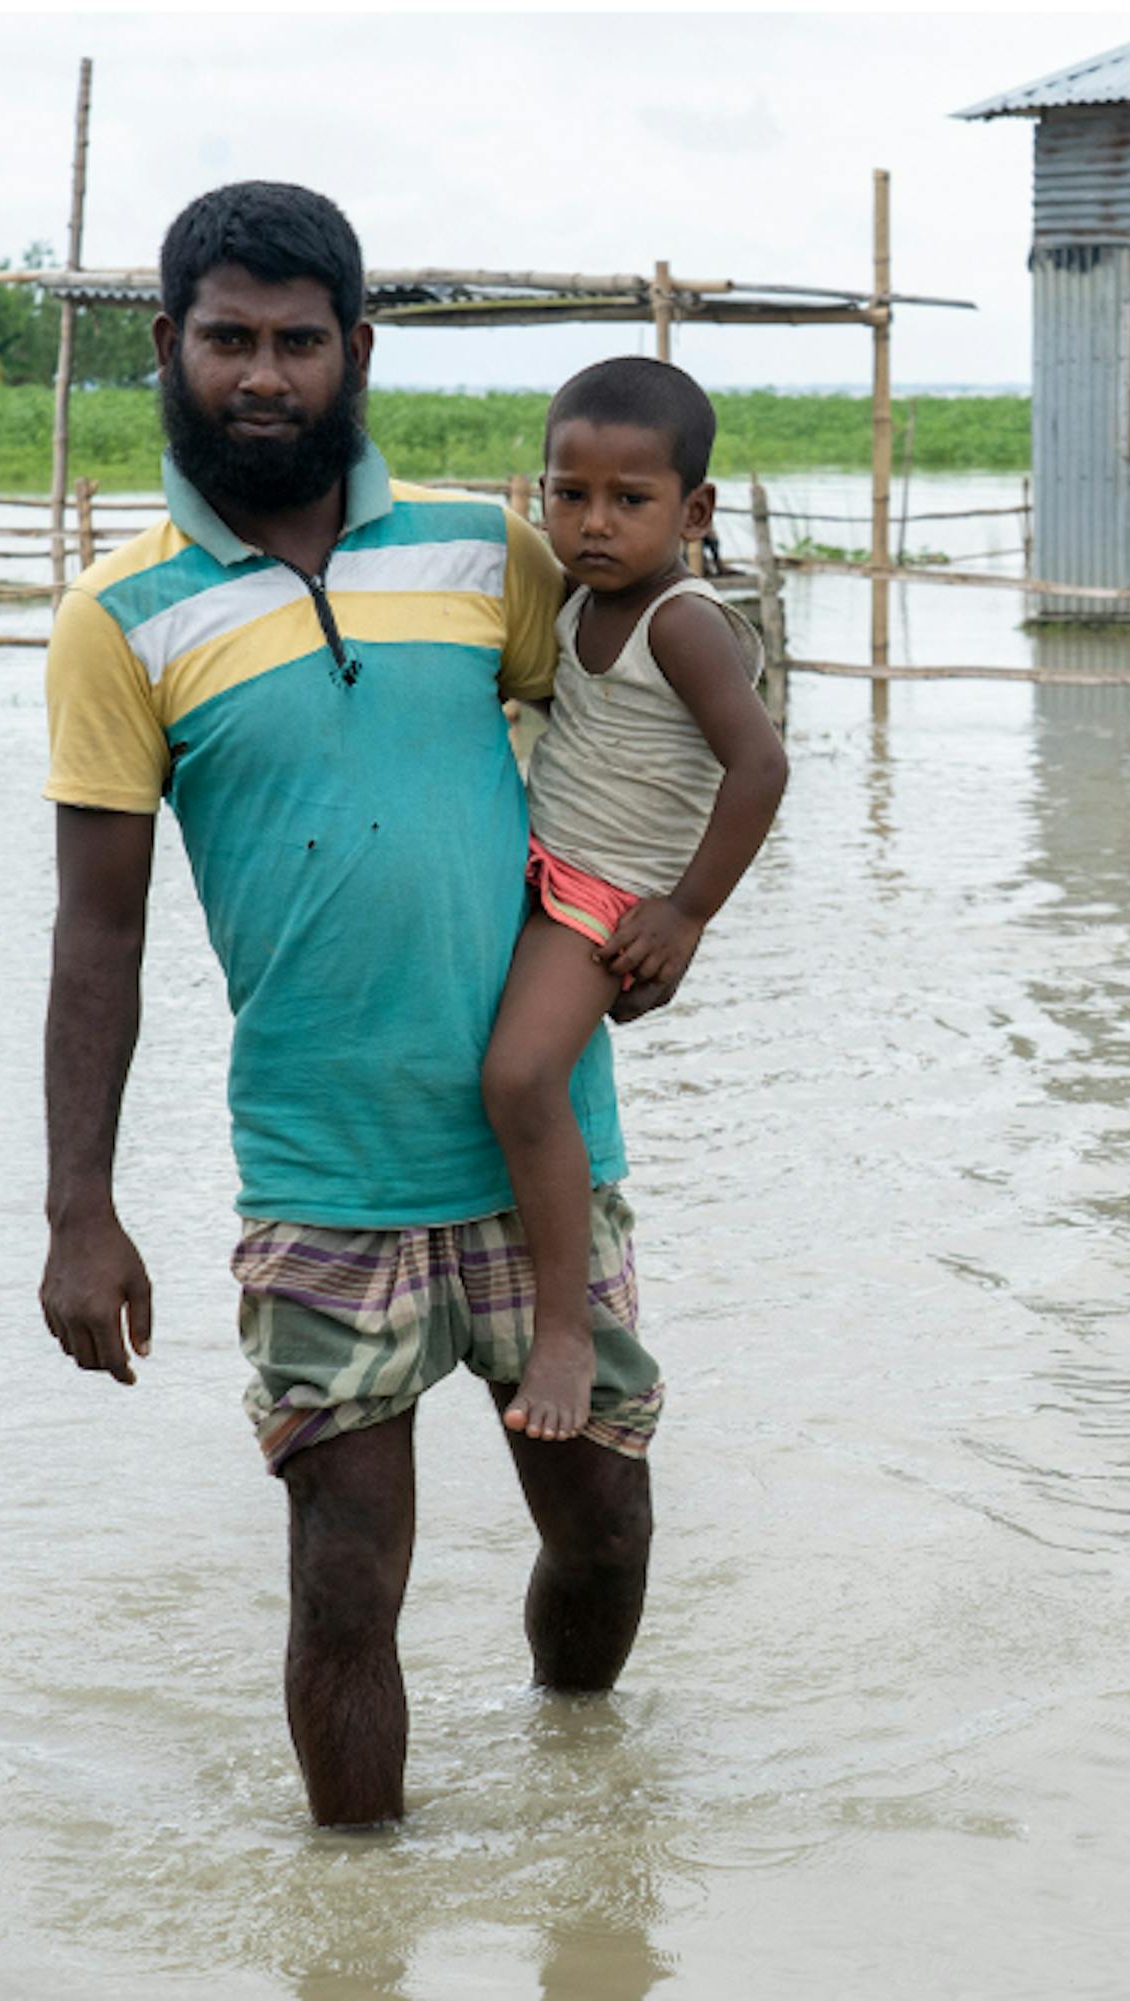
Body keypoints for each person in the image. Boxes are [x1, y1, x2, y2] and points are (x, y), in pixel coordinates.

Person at [33, 182, 668, 1829]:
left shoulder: (486, 549)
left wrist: (670, 921)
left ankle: (580, 1802)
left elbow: (630, 727)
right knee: (343, 1588)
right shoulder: (123, 621)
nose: (264, 376)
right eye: (228, 339)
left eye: (298, 343)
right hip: (324, 1181)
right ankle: (357, 1910)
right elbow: (97, 938)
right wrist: (79, 1209)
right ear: (170, 348)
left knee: (603, 1534)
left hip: (543, 1154)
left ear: (356, 351)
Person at [484, 360, 786, 1443]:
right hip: (539, 867)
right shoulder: (580, 604)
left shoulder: (681, 623)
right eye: (570, 497)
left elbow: (761, 769)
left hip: (601, 898)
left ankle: (562, 1328)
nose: (594, 524)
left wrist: (688, 914)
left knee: (520, 1077)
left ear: (694, 512)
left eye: (630, 500)